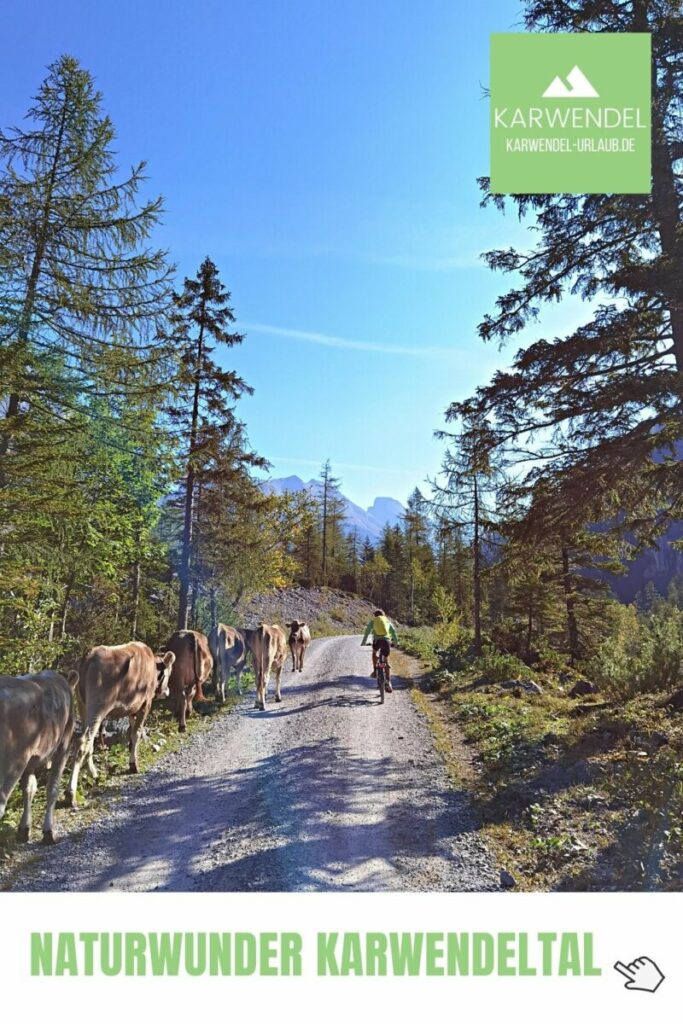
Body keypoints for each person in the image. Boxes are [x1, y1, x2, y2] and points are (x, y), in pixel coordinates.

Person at [361, 609, 399, 691]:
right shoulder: (387, 621)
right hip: (386, 641)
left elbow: (367, 631)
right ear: (383, 615)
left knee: (374, 653)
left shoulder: (374, 621)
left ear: (375, 615)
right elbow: (393, 632)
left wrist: (364, 642)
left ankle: (375, 671)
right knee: (385, 659)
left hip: (376, 641)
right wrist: (396, 642)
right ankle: (388, 681)